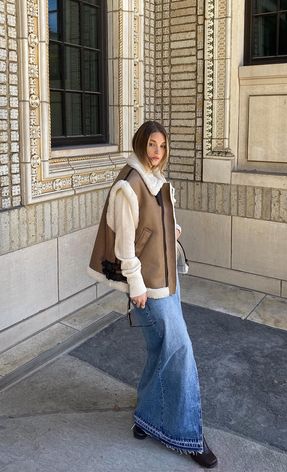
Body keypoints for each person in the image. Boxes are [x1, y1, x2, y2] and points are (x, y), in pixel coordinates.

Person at [88, 121, 218, 468]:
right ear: (140, 145)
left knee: (161, 350)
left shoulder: (158, 181)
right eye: (151, 145)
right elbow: (125, 244)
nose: (157, 151)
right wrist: (136, 286)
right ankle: (187, 434)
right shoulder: (130, 186)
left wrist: (170, 228)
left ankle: (145, 418)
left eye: (162, 145)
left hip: (167, 283)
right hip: (149, 289)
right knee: (181, 353)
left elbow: (152, 225)